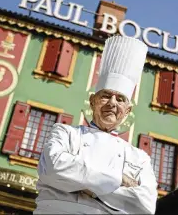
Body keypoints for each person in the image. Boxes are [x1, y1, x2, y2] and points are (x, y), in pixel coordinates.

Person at [34, 36, 158, 214]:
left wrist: (84, 184)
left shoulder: (140, 158)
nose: (112, 103)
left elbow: (145, 206)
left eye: (120, 99)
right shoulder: (65, 133)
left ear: (127, 110)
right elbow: (53, 169)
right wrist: (118, 179)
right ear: (93, 101)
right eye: (106, 96)